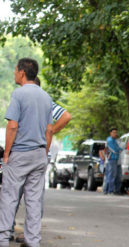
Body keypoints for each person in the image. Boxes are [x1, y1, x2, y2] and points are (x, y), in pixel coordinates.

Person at [9, 76, 72, 244]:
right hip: (38, 155)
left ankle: (10, 230)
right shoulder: (43, 102)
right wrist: (49, 132)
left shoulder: (34, 101)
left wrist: (50, 132)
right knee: (33, 197)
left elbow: (66, 116)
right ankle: (29, 235)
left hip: (25, 154)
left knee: (14, 194)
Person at [0, 58, 53, 247]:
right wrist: (43, 153)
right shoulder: (46, 97)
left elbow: (12, 126)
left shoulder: (19, 94)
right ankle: (33, 241)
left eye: (15, 70)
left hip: (20, 153)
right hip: (39, 154)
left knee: (9, 197)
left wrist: (7, 153)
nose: (14, 73)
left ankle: (3, 239)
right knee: (34, 201)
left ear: (22, 72)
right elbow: (49, 130)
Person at [105, 128, 122, 195]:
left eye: (116, 132)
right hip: (112, 158)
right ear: (110, 133)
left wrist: (120, 149)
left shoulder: (114, 140)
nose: (115, 134)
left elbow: (118, 147)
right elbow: (115, 149)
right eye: (114, 132)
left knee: (114, 175)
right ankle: (110, 190)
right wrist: (120, 150)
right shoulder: (110, 140)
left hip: (115, 159)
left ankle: (110, 190)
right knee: (112, 175)